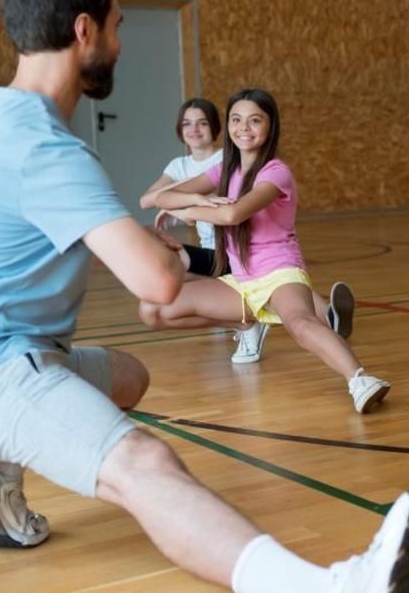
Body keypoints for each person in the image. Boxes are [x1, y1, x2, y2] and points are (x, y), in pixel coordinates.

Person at [0, 0, 409, 590]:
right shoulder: (46, 148)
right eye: (118, 26)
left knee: (128, 376)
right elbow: (157, 283)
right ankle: (325, 585)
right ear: (83, 30)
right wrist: (174, 249)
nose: (119, 44)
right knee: (144, 461)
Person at [141, 88, 388, 413]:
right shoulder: (223, 170)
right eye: (237, 119)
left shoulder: (276, 172)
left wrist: (190, 210)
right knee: (154, 310)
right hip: (241, 282)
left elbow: (233, 214)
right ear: (228, 125)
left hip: (279, 272)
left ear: (270, 127)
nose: (244, 127)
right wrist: (201, 198)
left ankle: (360, 380)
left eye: (255, 120)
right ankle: (243, 323)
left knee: (300, 323)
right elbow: (161, 198)